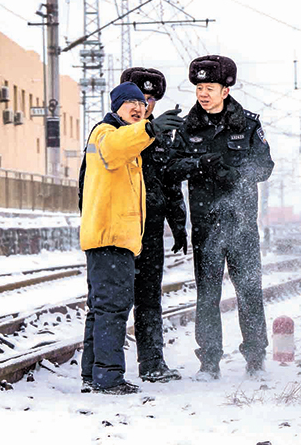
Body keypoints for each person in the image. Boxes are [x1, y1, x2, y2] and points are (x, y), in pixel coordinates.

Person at [168, 55, 275, 381]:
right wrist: (202, 165)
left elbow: (265, 166)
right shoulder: (187, 128)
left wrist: (237, 175)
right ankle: (209, 361)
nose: (203, 93)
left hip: (241, 223)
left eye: (210, 87)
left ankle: (255, 358)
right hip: (206, 225)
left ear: (225, 90)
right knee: (207, 295)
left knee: (249, 291)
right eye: (199, 87)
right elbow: (171, 168)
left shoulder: (248, 124)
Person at [79, 82, 184, 394]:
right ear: (116, 108)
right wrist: (150, 129)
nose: (138, 110)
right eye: (131, 106)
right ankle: (108, 378)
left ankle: (92, 373)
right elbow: (115, 148)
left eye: (143, 106)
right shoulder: (106, 133)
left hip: (113, 238)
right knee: (113, 308)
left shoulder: (128, 140)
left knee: (101, 308)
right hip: (110, 238)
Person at [119, 67, 187, 383]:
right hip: (119, 229)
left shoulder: (164, 135)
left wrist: (179, 223)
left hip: (151, 229)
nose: (144, 105)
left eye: (150, 99)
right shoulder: (111, 132)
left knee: (149, 299)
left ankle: (152, 363)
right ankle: (106, 369)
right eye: (138, 98)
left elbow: (171, 181)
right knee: (113, 301)